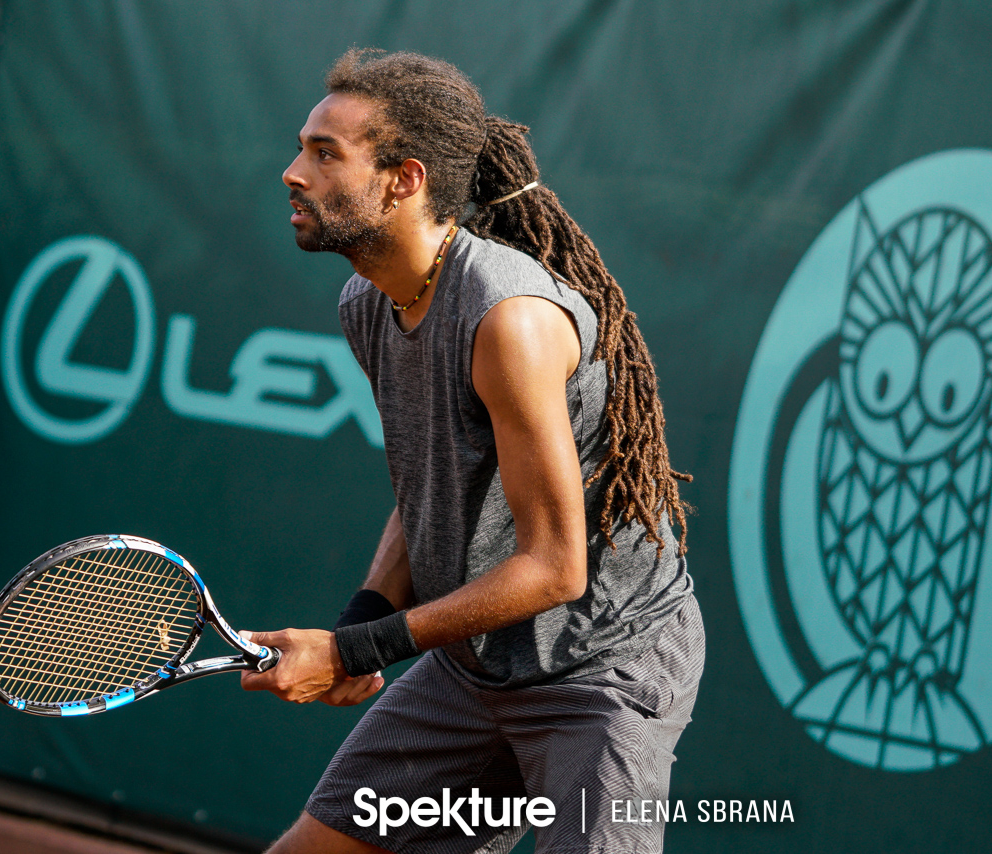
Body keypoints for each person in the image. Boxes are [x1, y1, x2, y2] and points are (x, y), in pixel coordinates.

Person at [239, 49, 703, 854]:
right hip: (476, 668)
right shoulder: (369, 302)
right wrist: (367, 615)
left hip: (599, 671)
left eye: (324, 153)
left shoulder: (507, 320)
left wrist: (355, 651)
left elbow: (557, 565)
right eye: (300, 146)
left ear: (403, 180)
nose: (292, 172)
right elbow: (433, 480)